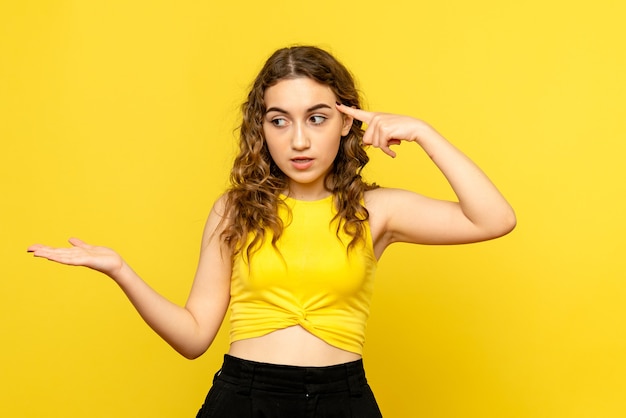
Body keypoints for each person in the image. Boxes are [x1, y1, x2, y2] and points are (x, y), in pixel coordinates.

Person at [27, 45, 516, 417]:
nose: (298, 140)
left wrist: (423, 132)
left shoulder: (375, 211)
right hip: (244, 397)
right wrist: (120, 271)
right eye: (279, 121)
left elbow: (494, 219)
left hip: (341, 399)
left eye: (317, 118)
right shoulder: (234, 210)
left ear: (347, 123)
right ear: (261, 128)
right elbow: (194, 337)